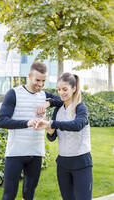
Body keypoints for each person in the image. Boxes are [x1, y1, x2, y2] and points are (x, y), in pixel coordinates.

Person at [0, 61, 62, 200]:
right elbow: (1, 121)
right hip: (15, 153)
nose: (40, 84)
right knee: (8, 195)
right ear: (29, 76)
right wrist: (27, 123)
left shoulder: (44, 95)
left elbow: (63, 100)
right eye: (37, 80)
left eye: (43, 81)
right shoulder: (13, 93)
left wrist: (48, 102)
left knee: (29, 195)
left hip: (36, 152)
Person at [35, 72, 93, 200]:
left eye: (65, 89)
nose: (61, 93)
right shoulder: (58, 110)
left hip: (81, 163)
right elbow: (53, 136)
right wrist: (49, 130)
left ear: (74, 88)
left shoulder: (80, 108)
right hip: (63, 165)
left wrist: (51, 122)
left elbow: (77, 125)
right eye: (59, 89)